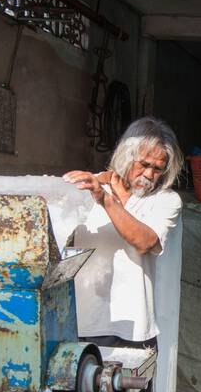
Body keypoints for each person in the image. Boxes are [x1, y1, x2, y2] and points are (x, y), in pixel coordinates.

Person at [63, 116, 184, 352]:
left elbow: (145, 242)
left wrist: (106, 200)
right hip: (84, 323)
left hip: (136, 329)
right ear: (126, 156)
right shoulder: (86, 189)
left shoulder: (166, 201)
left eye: (157, 169)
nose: (149, 174)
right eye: (144, 164)